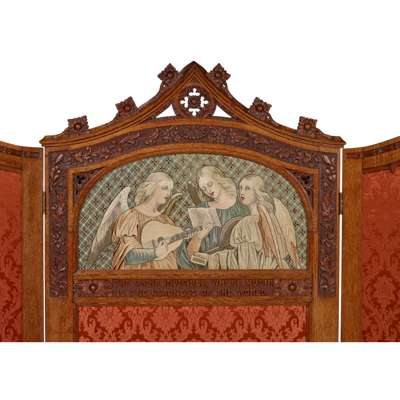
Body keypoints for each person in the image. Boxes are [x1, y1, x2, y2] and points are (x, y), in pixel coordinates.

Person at [206, 174, 300, 269]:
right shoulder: (263, 218)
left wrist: (212, 259)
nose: (242, 192)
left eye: (247, 188)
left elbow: (246, 264)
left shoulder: (248, 223)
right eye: (240, 188)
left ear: (257, 192)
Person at [176, 165, 249, 268]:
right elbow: (191, 257)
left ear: (218, 179)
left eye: (210, 184)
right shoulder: (202, 210)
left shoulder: (243, 206)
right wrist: (199, 237)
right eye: (204, 189)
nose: (208, 190)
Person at [112, 172, 178, 270]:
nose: (169, 194)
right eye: (164, 188)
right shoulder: (131, 217)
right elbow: (129, 256)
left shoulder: (166, 221)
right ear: (151, 188)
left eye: (170, 190)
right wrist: (154, 253)